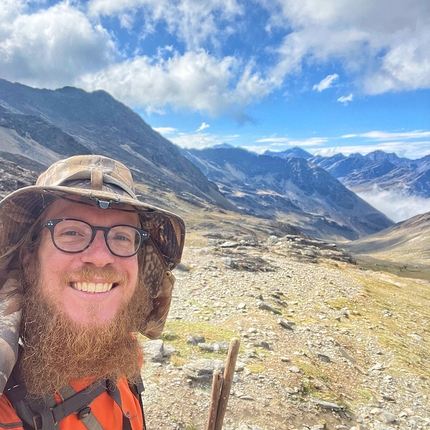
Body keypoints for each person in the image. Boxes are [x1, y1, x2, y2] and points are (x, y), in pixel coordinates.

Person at [0, 154, 186, 429]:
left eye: (122, 236)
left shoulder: (122, 348)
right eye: (72, 232)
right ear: (29, 257)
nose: (100, 257)